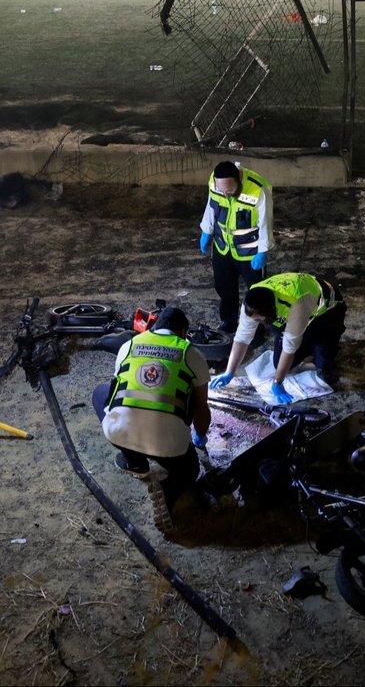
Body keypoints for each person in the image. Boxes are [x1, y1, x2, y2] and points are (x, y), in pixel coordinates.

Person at [92, 306, 211, 528]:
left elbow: (119, 388)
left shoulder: (129, 345)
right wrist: (201, 435)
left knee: (102, 393)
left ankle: (135, 462)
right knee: (190, 471)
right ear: (183, 331)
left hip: (120, 433)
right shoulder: (191, 353)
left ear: (155, 327)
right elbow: (202, 409)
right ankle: (169, 490)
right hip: (170, 446)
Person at [210, 272, 347, 403]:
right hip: (300, 309)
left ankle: (321, 349)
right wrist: (229, 371)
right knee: (278, 364)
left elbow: (289, 349)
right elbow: (242, 338)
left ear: (271, 314)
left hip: (328, 310)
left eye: (258, 321)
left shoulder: (296, 306)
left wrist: (278, 383)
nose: (255, 324)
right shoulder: (251, 302)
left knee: (322, 362)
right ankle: (307, 342)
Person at [199, 160, 274, 334]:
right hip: (222, 246)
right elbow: (211, 206)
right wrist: (206, 231)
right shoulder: (215, 181)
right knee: (224, 288)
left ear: (239, 179)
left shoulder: (258, 189)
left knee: (257, 293)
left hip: (249, 252)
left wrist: (263, 250)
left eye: (230, 190)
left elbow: (265, 222)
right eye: (222, 190)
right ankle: (229, 321)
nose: (225, 194)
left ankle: (259, 327)